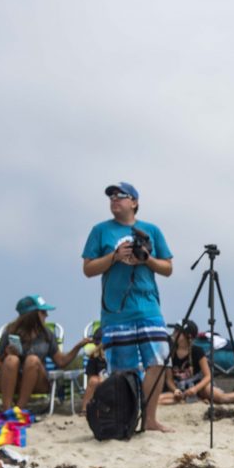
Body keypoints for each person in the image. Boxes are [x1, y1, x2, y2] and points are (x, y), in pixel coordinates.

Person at [82, 182, 174, 432]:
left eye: (120, 196)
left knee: (158, 362)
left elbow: (168, 268)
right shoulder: (100, 231)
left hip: (148, 308)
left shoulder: (151, 230)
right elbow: (88, 269)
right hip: (115, 313)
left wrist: (146, 259)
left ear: (134, 202)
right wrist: (114, 257)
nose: (114, 200)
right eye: (111, 196)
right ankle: (128, 419)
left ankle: (150, 419)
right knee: (123, 371)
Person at [0, 295, 90, 411]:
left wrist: (78, 347)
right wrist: (7, 356)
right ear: (33, 315)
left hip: (36, 383)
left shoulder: (47, 334)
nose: (47, 315)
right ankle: (6, 409)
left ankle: (19, 410)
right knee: (11, 360)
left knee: (32, 360)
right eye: (43, 312)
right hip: (12, 382)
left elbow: (61, 362)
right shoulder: (10, 332)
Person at [161, 320, 234, 405]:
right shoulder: (170, 352)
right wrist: (175, 390)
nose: (174, 333)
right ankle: (198, 401)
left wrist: (195, 389)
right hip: (180, 388)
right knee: (160, 400)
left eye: (178, 331)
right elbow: (169, 379)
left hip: (199, 386)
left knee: (222, 398)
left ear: (188, 337)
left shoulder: (197, 351)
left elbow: (208, 376)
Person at [79, 328, 107, 416]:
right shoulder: (94, 358)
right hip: (99, 383)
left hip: (114, 381)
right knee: (93, 381)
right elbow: (90, 378)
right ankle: (85, 409)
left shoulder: (116, 356)